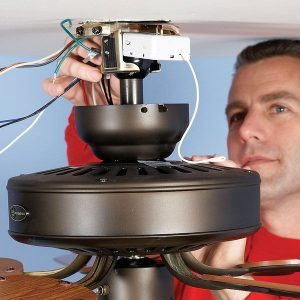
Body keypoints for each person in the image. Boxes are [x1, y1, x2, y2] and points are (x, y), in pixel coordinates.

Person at [43, 38, 300, 299]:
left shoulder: (214, 249)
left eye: (279, 108)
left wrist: (229, 281)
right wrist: (106, 120)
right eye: (237, 115)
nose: (245, 130)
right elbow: (116, 211)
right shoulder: (196, 232)